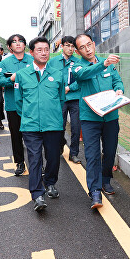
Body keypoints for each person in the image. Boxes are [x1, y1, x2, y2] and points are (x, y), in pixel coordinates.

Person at [14, 37, 65, 211]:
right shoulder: (22, 75)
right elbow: (18, 101)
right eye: (39, 50)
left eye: (46, 50)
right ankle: (37, 194)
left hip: (53, 124)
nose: (44, 53)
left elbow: (61, 98)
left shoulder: (57, 74)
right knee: (34, 159)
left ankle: (50, 183)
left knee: (53, 158)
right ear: (31, 52)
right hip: (30, 125)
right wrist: (30, 115)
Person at [73, 34, 122, 209]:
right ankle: (94, 192)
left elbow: (117, 81)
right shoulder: (77, 66)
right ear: (78, 51)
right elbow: (84, 74)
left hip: (110, 116)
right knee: (92, 155)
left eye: (89, 45)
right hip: (90, 119)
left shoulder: (107, 64)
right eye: (82, 47)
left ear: (93, 44)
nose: (87, 49)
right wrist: (104, 64)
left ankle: (106, 179)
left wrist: (119, 90)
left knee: (109, 152)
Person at [0, 35, 33, 176]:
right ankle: (19, 162)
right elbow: (0, 80)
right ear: (9, 47)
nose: (18, 44)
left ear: (25, 45)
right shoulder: (5, 63)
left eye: (21, 41)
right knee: (16, 135)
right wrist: (12, 79)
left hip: (31, 105)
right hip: (13, 105)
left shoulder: (32, 59)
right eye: (14, 42)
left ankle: (36, 163)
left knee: (33, 136)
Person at [48, 36, 82, 164]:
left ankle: (74, 153)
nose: (70, 48)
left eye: (73, 46)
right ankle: (60, 144)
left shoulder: (78, 62)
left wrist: (69, 88)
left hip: (75, 98)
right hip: (59, 99)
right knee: (59, 126)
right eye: (67, 45)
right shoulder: (53, 61)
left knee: (75, 127)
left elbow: (81, 80)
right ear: (62, 46)